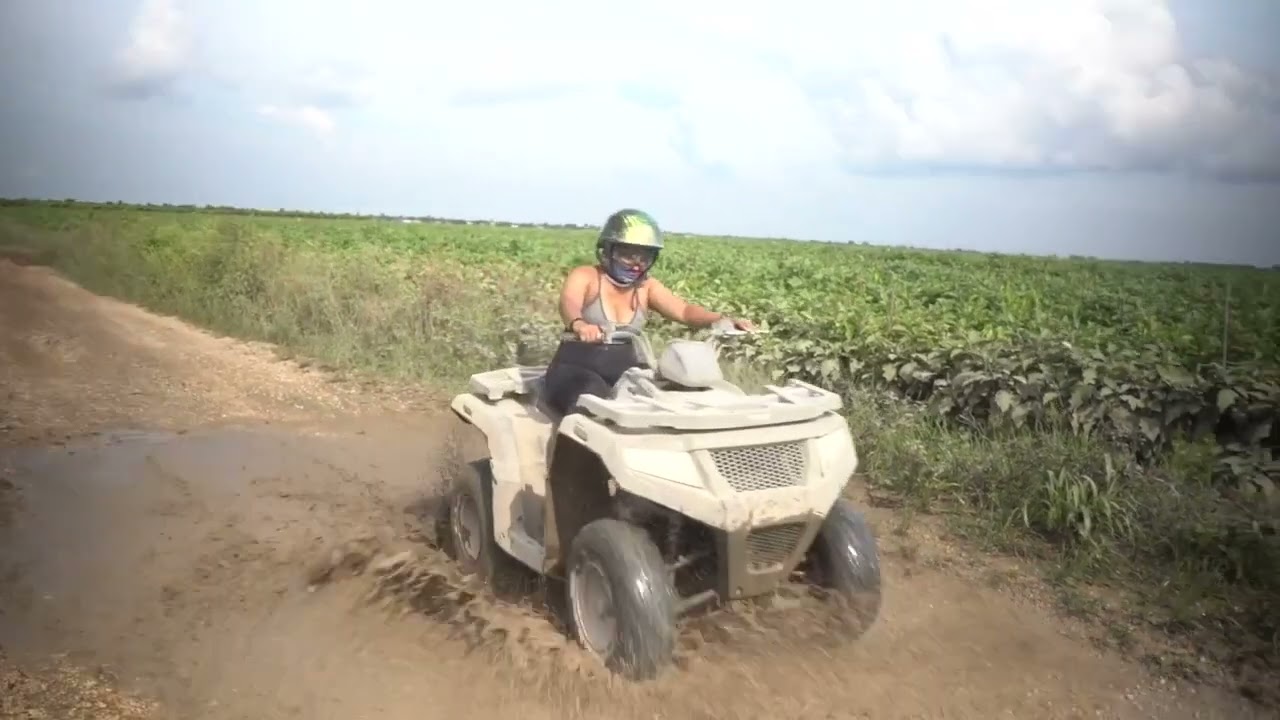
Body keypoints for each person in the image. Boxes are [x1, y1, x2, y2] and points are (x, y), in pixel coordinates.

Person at [541, 208, 754, 417]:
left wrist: (720, 320)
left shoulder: (646, 286)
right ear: (607, 250)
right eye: (627, 254)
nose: (636, 264)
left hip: (627, 371)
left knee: (671, 407)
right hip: (577, 369)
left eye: (644, 256)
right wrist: (580, 325)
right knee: (590, 410)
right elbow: (569, 303)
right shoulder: (587, 275)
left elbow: (684, 310)